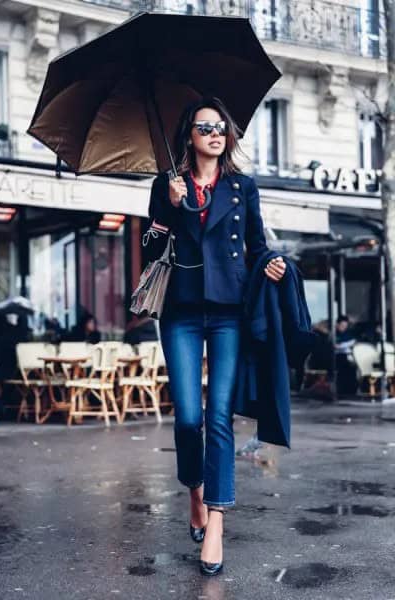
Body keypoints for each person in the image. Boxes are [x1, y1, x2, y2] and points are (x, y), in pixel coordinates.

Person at [142, 96, 286, 576]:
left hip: (228, 312)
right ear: (189, 135)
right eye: (205, 127)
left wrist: (271, 264)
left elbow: (258, 245)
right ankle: (196, 493)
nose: (215, 133)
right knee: (187, 419)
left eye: (221, 127)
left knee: (218, 416)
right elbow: (150, 246)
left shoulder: (243, 187)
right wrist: (175, 207)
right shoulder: (167, 185)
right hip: (181, 311)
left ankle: (217, 522)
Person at [335, 314, 357, 395]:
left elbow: (354, 341)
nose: (344, 327)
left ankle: (350, 391)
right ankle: (343, 391)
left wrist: (343, 345)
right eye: (342, 325)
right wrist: (347, 345)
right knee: (345, 366)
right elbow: (335, 346)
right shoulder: (334, 334)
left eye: (345, 326)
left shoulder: (348, 334)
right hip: (338, 357)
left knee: (352, 367)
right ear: (337, 324)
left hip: (347, 356)